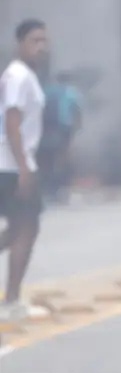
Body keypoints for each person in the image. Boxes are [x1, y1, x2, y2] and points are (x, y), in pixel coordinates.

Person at [0, 19, 49, 321]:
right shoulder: (19, 76)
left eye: (44, 40)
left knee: (19, 228)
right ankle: (12, 301)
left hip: (11, 162)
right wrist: (23, 168)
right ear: (20, 43)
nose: (41, 47)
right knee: (27, 228)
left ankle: (12, 299)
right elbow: (12, 122)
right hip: (12, 163)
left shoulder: (20, 75)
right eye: (34, 40)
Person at [39, 71, 83, 202]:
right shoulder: (72, 92)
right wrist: (77, 129)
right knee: (62, 159)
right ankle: (60, 189)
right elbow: (77, 112)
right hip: (64, 129)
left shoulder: (47, 91)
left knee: (46, 159)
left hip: (46, 129)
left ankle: (47, 189)